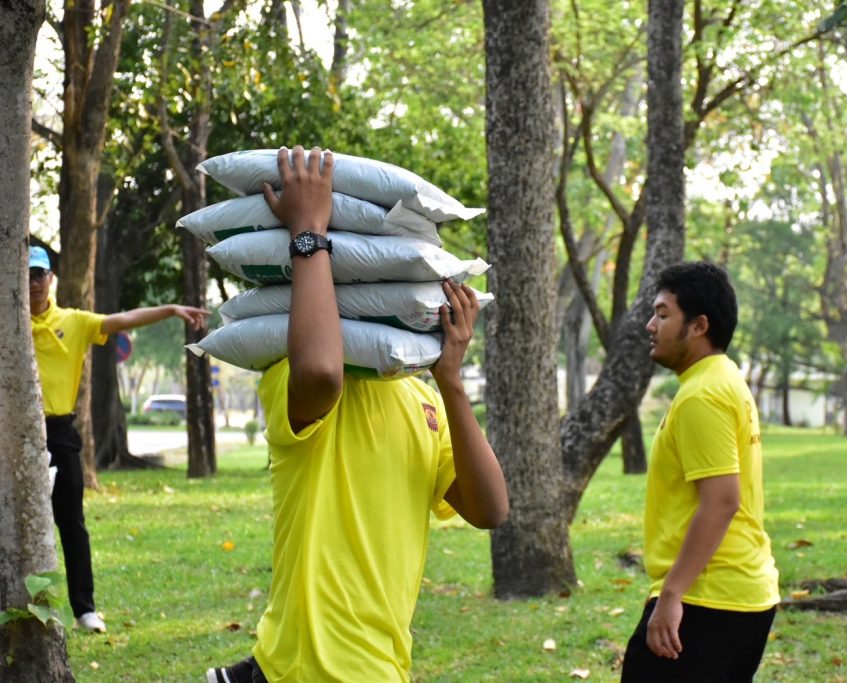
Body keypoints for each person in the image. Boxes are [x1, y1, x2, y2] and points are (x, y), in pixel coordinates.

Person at [206, 146, 508, 683]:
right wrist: (309, 232)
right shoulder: (287, 375)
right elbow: (323, 370)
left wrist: (452, 382)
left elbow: (489, 510)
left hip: (384, 666)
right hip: (307, 667)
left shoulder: (423, 401)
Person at [28, 245, 209, 634]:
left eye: (39, 275)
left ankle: (84, 609)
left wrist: (171, 310)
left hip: (59, 434)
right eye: (26, 275)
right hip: (17, 434)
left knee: (71, 523)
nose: (33, 284)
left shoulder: (73, 322)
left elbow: (123, 319)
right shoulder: (11, 324)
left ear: (51, 279)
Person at [620, 262, 779, 682]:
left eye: (663, 313)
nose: (651, 325)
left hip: (707, 598)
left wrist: (672, 595)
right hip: (737, 594)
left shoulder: (702, 395)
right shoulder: (722, 379)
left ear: (698, 325)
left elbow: (722, 502)